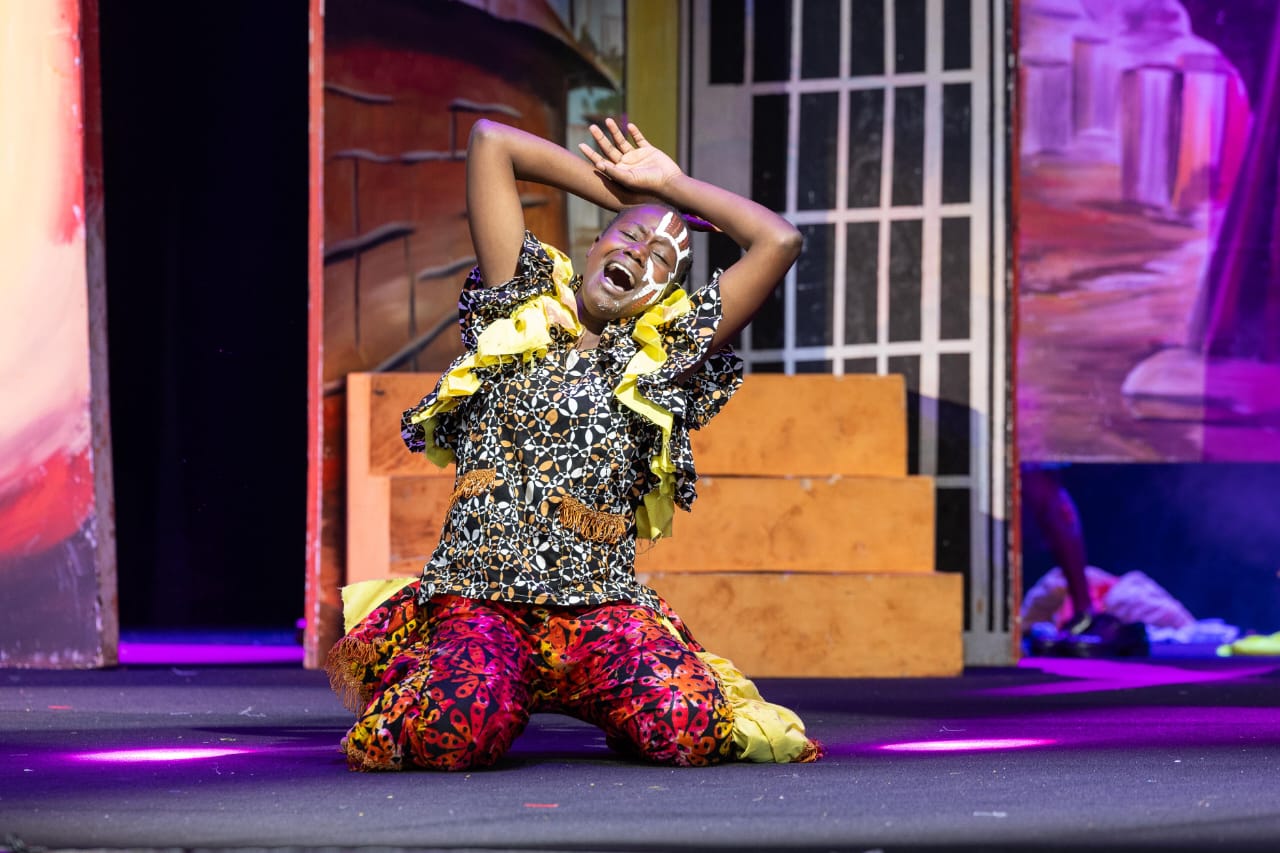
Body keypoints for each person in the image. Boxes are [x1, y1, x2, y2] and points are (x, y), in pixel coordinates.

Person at [326, 117, 822, 771]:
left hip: (599, 612)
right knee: (454, 729)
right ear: (594, 246)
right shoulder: (517, 304)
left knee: (686, 726)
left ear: (667, 293)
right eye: (630, 237)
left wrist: (673, 186)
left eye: (660, 259)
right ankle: (454, 675)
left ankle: (610, 700)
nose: (639, 255)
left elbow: (778, 240)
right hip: (481, 603)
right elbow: (492, 143)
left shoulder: (663, 354)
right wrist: (631, 195)